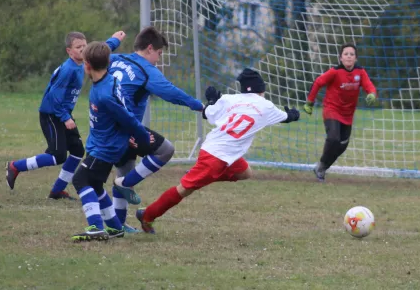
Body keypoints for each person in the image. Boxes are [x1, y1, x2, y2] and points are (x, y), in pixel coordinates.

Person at [134, 68, 300, 234]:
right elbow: (287, 117)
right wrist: (293, 114)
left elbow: (206, 113)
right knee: (184, 189)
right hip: (216, 156)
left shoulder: (229, 99)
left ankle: (204, 177)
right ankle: (147, 215)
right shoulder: (266, 106)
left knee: (245, 173)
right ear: (261, 89)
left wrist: (213, 101)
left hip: (219, 150)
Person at [5, 30, 126, 199]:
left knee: (77, 151)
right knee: (57, 155)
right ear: (69, 51)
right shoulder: (68, 70)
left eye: (84, 46)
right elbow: (54, 97)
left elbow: (99, 51)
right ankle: (15, 166)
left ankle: (57, 191)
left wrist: (115, 40)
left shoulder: (84, 61)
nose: (83, 50)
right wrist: (65, 117)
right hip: (51, 114)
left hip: (63, 113)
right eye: (78, 47)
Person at [107, 27, 204, 231]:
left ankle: (118, 224)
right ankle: (125, 184)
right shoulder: (145, 70)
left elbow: (94, 57)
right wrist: (199, 105)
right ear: (150, 48)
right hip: (126, 127)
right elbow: (170, 92)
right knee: (165, 150)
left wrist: (112, 42)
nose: (158, 60)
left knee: (125, 167)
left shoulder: (115, 59)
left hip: (107, 125)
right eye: (159, 54)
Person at [71, 41, 151, 242]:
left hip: (105, 149)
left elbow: (127, 118)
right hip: (101, 144)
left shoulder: (105, 95)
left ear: (87, 65)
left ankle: (96, 226)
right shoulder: (108, 81)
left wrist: (141, 137)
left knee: (80, 179)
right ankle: (115, 227)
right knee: (96, 185)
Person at [303, 43, 377, 182]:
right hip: (332, 110)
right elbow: (318, 82)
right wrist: (310, 102)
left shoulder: (360, 72)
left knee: (342, 145)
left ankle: (322, 166)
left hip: (348, 114)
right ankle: (321, 166)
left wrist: (372, 94)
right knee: (333, 139)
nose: (349, 56)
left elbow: (369, 85)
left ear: (356, 58)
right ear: (340, 58)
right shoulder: (334, 71)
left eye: (352, 54)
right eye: (346, 54)